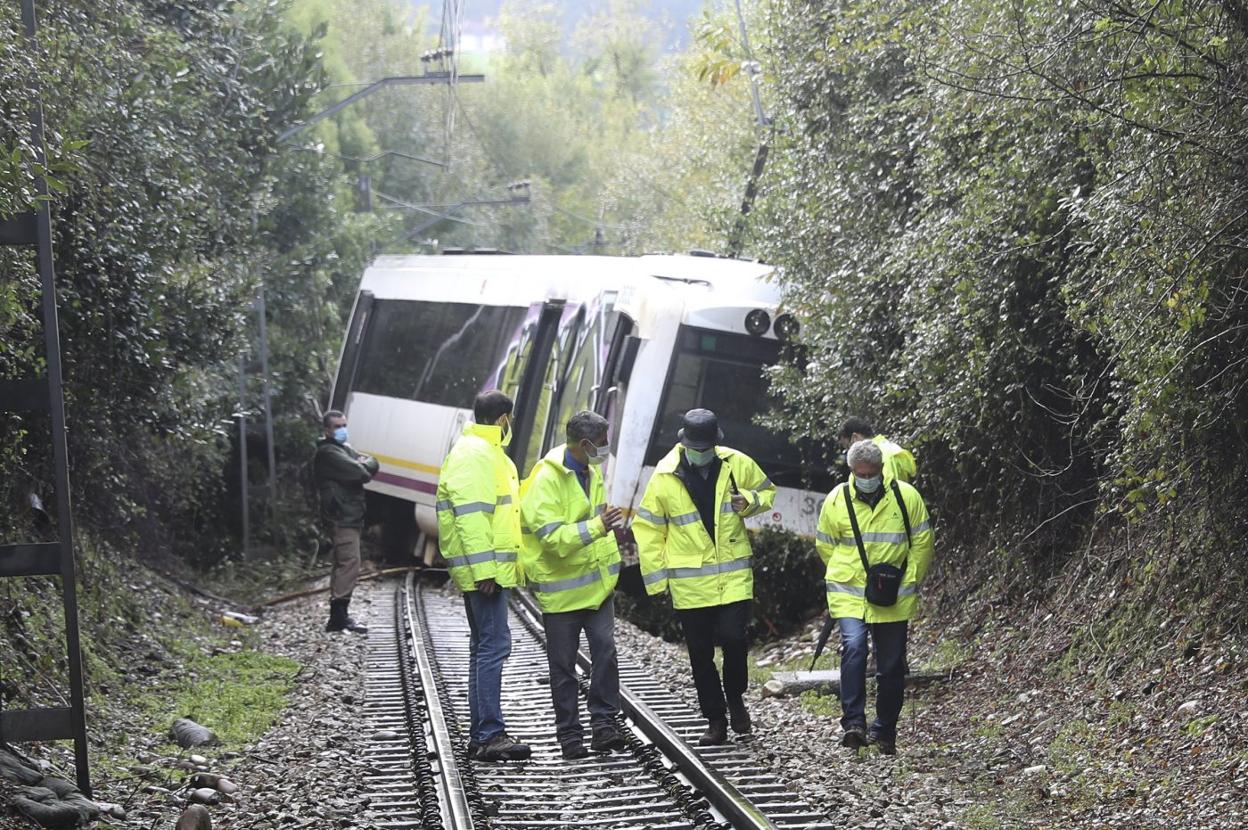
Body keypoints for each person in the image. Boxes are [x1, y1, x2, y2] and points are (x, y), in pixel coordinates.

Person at [633, 408, 776, 745]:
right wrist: (656, 581)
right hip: (690, 582)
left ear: (716, 443)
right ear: (684, 443)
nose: (701, 453)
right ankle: (715, 719)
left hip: (733, 576)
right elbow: (649, 529)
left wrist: (750, 502)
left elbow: (768, 492)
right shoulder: (664, 476)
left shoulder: (736, 463)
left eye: (706, 447)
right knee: (700, 654)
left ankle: (736, 697)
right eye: (696, 448)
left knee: (734, 640)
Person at [815, 439, 935, 755]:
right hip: (849, 593)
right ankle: (854, 723)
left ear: (882, 469)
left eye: (871, 472)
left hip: (892, 594)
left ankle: (885, 730)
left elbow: (923, 543)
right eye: (860, 472)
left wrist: (907, 580)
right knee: (853, 649)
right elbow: (825, 545)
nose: (866, 477)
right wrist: (846, 573)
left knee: (892, 666)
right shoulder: (837, 499)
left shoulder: (906, 497)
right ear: (851, 471)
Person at [519, 411, 627, 760]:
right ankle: (569, 737)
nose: (606, 449)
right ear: (585, 444)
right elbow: (553, 540)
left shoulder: (590, 472)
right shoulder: (546, 480)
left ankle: (604, 725)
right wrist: (598, 526)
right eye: (603, 442)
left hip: (598, 587)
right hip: (563, 593)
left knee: (605, 653)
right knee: (563, 668)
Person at [436, 390, 531, 762]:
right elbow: (471, 517)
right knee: (493, 647)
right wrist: (486, 570)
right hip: (486, 570)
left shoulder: (482, 452)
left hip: (488, 568)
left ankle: (482, 735)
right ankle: (489, 734)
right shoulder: (476, 455)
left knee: (484, 647)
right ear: (504, 418)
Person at [313, 410, 378, 634]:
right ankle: (339, 616)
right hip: (341, 517)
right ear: (327, 430)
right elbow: (362, 472)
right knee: (350, 563)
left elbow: (372, 462)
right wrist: (362, 464)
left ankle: (339, 615)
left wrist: (365, 463)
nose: (342, 430)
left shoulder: (342, 449)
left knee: (344, 563)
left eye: (344, 425)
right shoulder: (329, 453)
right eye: (338, 426)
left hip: (349, 516)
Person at [837, 417, 916, 483]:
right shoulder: (889, 447)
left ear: (855, 437)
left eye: (848, 446)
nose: (850, 452)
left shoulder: (877, 455)